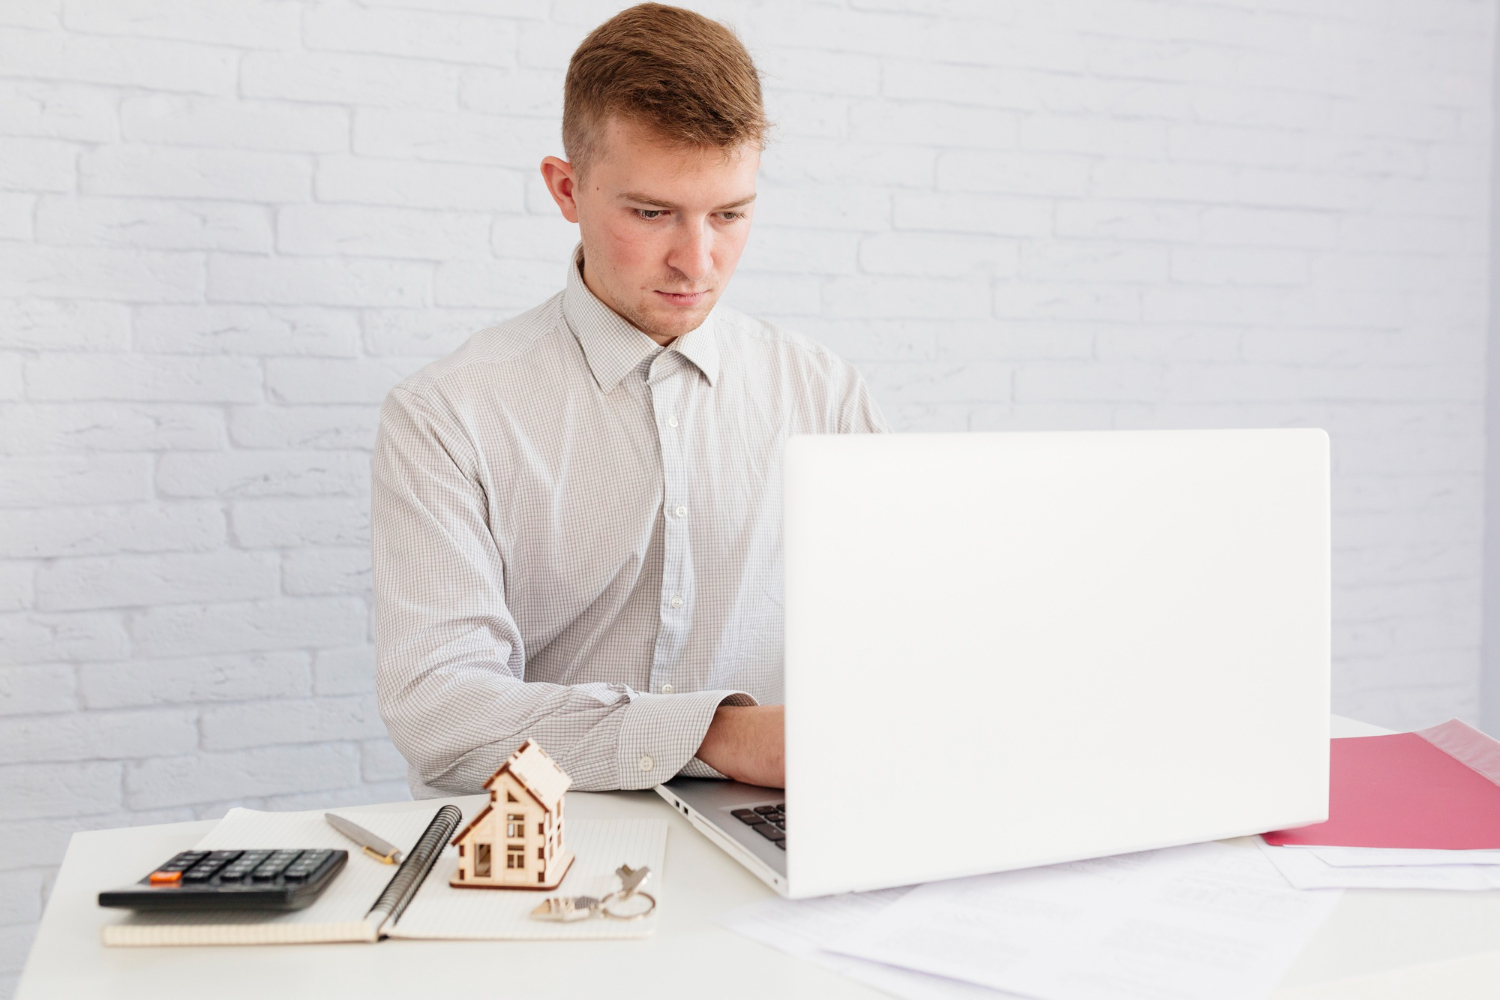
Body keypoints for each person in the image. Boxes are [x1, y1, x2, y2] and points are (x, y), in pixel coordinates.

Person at [373, 3, 887, 798]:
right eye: (651, 214)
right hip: (538, 860)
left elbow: (890, 645)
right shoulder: (447, 415)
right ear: (566, 189)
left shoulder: (823, 394)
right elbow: (440, 712)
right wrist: (717, 735)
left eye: (730, 214)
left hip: (774, 841)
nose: (696, 260)